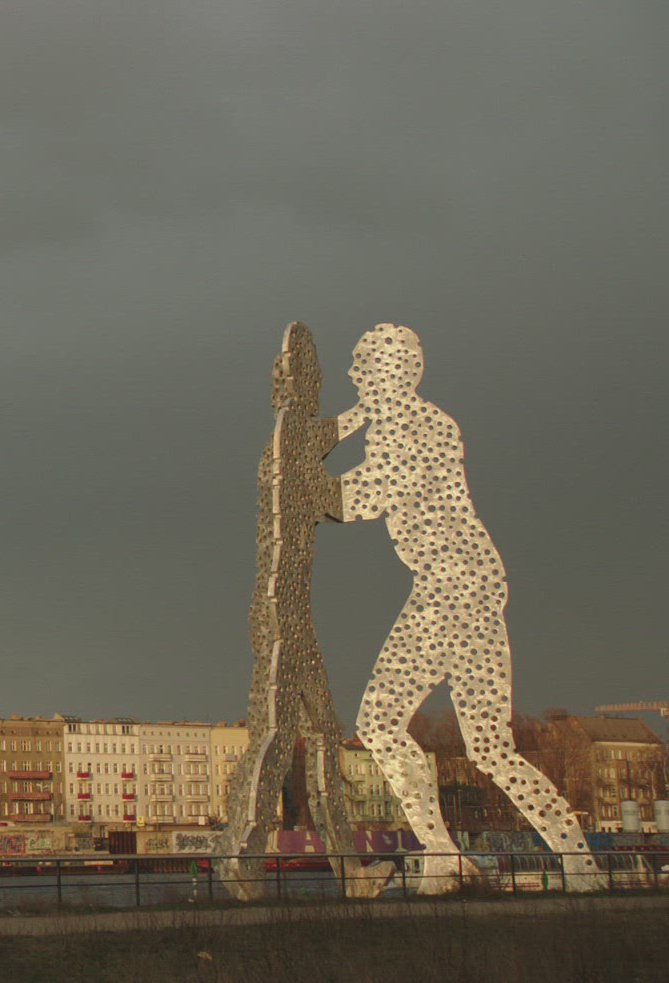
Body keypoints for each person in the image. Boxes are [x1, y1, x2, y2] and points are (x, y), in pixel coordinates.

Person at [337, 324, 602, 893]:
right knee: (490, 749)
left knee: (379, 723)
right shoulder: (408, 422)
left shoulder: (416, 427)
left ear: (396, 372)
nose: (354, 375)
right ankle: (580, 864)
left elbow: (362, 497)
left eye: (364, 366)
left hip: (451, 587)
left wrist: (296, 478)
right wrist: (339, 426)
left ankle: (442, 854)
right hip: (469, 586)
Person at [219, 322, 382, 898]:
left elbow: (332, 450)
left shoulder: (282, 441)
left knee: (323, 734)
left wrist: (367, 416)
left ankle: (347, 870)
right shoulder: (294, 438)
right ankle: (242, 855)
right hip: (284, 616)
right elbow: (338, 498)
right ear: (304, 382)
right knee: (276, 735)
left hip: (287, 613)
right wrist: (381, 432)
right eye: (312, 376)